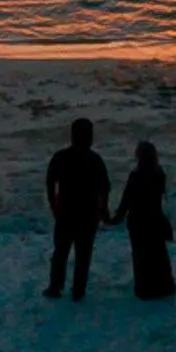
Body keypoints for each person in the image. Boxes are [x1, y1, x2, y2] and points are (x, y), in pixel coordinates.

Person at [44, 118, 112, 302]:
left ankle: (55, 287)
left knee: (61, 252)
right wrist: (103, 209)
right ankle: (78, 290)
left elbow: (50, 182)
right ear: (89, 138)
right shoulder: (95, 160)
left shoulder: (61, 157)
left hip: (65, 212)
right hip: (87, 214)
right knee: (83, 254)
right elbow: (105, 187)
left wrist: (53, 205)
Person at [112, 137, 176, 301]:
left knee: (142, 256)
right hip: (155, 219)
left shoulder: (136, 176)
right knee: (158, 254)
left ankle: (146, 289)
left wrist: (113, 218)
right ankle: (164, 287)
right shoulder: (159, 174)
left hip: (139, 221)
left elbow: (126, 202)